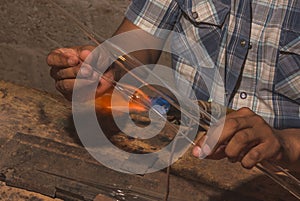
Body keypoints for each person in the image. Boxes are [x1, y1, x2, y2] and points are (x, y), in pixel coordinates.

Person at [47, 0, 300, 171]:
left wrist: (285, 144)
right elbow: (135, 48)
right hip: (188, 157)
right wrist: (106, 70)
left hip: (285, 171)